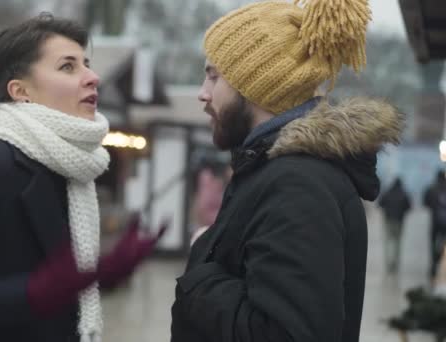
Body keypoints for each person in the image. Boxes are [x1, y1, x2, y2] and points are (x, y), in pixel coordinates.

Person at [0, 13, 165, 342]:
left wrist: (99, 276)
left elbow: (61, 294)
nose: (93, 77)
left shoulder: (75, 173)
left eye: (87, 64)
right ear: (20, 91)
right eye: (68, 66)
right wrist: (33, 293)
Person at [170, 1, 404, 341]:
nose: (202, 94)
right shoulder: (276, 172)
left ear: (256, 85)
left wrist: (201, 272)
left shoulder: (297, 186)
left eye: (213, 75)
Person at [378, 178, 411, 274]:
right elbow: (409, 206)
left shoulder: (388, 192)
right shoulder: (404, 193)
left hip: (388, 221)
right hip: (399, 222)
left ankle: (388, 264)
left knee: (388, 243)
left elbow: (380, 204)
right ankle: (396, 264)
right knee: (398, 244)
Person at [424, 170, 446, 278]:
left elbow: (426, 202)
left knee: (432, 243)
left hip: (435, 221)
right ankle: (440, 259)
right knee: (443, 243)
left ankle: (434, 264)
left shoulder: (432, 188)